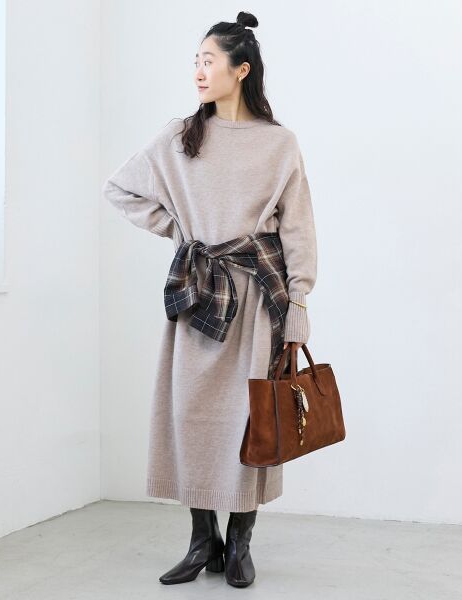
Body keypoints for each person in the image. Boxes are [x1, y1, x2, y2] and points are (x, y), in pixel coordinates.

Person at [102, 11, 317, 588]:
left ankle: (241, 542)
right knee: (192, 417)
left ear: (240, 70)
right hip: (198, 294)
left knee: (251, 420)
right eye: (195, 61)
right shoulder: (180, 136)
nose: (198, 71)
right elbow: (119, 188)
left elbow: (297, 228)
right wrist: (179, 230)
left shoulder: (279, 144)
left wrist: (299, 303)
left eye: (208, 61)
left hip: (258, 300)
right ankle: (204, 541)